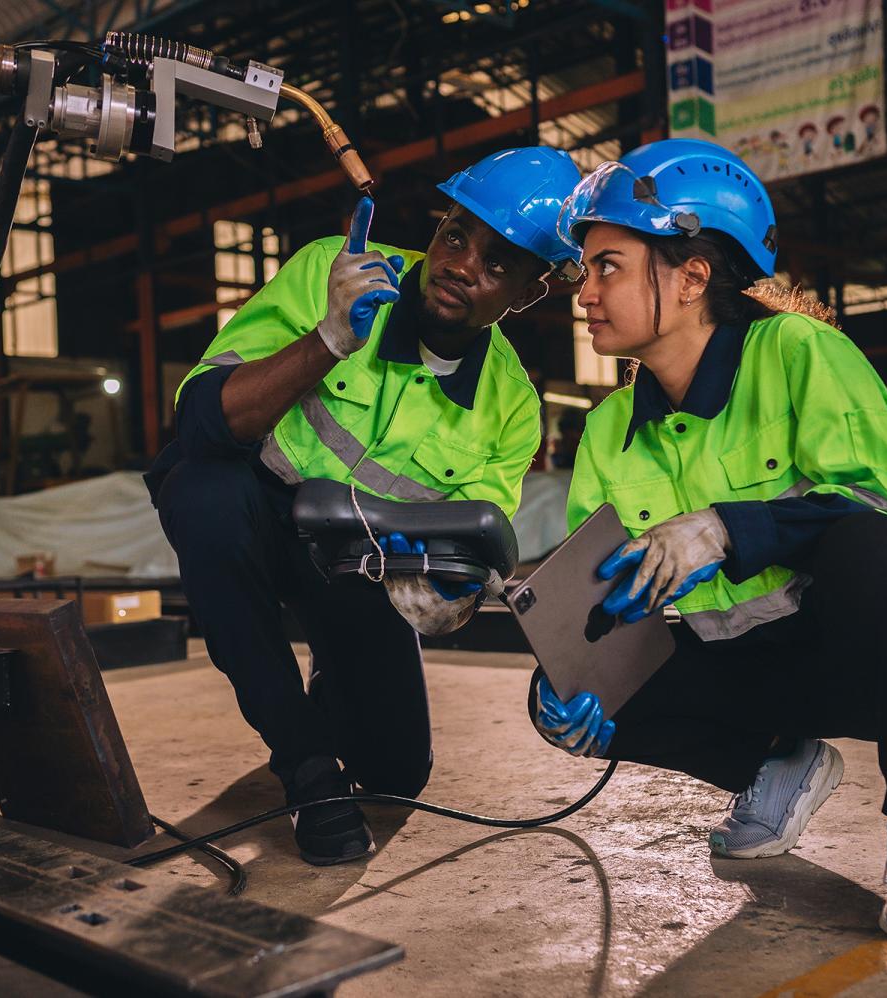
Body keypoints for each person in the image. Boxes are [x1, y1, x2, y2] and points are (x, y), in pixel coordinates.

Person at [528, 138, 887, 941]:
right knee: (555, 699)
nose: (585, 293)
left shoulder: (802, 356)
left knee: (869, 548)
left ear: (690, 276)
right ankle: (774, 769)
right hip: (761, 672)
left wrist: (722, 529)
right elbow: (603, 599)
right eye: (585, 271)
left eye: (607, 265)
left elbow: (881, 513)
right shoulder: (610, 430)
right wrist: (574, 673)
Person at [147, 147, 584, 865]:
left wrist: (451, 592)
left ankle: (331, 692)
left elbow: (461, 561)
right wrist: (329, 338)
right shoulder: (336, 271)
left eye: (499, 265)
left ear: (532, 293)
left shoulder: (510, 409)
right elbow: (202, 425)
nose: (461, 265)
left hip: (357, 569)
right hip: (250, 515)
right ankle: (306, 764)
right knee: (203, 494)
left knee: (396, 775)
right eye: (455, 236)